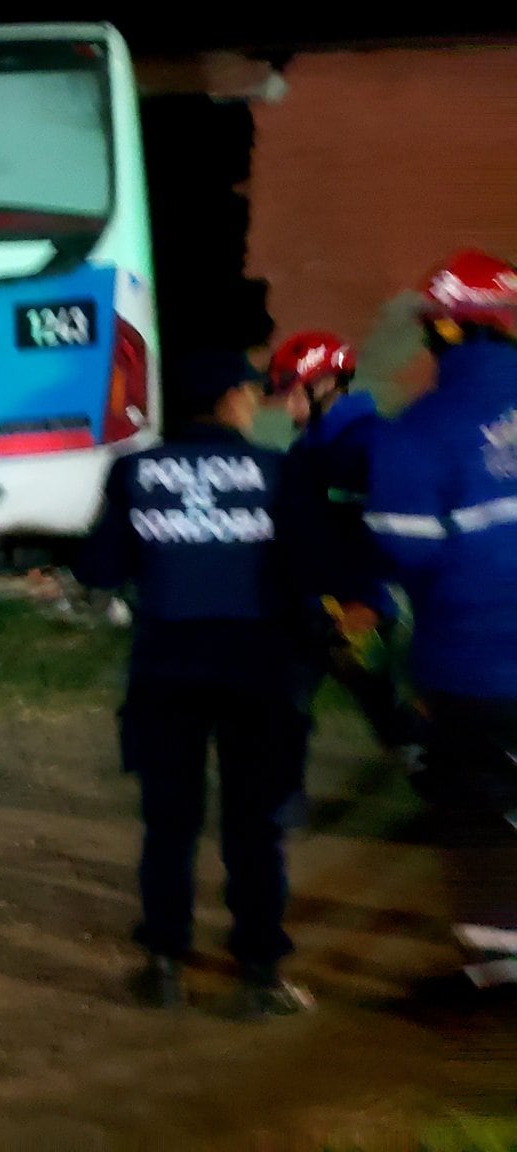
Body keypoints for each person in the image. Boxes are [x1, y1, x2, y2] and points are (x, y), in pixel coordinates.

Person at [74, 347, 322, 1020]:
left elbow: (99, 568)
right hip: (257, 670)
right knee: (254, 824)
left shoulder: (133, 472)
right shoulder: (277, 470)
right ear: (232, 400)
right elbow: (307, 573)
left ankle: (163, 967)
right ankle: (260, 974)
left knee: (169, 823)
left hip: (166, 668)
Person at [363, 248, 517, 1002]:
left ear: (444, 334)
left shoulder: (417, 431)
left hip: (472, 663)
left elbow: (401, 549)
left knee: (476, 804)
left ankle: (501, 967)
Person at [262, 330, 431, 760]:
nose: (287, 404)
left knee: (386, 711)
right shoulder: (306, 452)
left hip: (360, 613)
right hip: (315, 610)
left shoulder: (372, 444)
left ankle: (449, 780)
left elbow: (399, 531)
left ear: (324, 385)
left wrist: (373, 602)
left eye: (292, 392)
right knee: (284, 704)